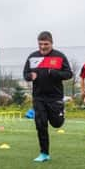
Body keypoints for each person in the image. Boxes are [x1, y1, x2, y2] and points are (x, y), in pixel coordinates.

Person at [23, 31, 73, 162]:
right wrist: (30, 76)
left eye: (46, 44)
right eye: (40, 44)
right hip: (38, 97)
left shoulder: (59, 56)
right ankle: (44, 153)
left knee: (56, 124)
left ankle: (61, 112)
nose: (43, 47)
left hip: (55, 97)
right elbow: (25, 74)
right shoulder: (33, 57)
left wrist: (55, 73)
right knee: (40, 124)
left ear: (51, 43)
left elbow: (69, 74)